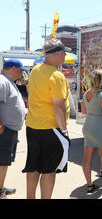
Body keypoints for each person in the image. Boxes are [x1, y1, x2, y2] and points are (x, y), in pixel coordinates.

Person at [22, 39, 71, 199]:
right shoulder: (57, 76)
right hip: (51, 127)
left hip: (33, 125)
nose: (64, 57)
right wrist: (64, 130)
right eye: (64, 54)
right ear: (57, 54)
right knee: (49, 169)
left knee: (33, 166)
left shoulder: (35, 70)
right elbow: (58, 105)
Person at [0, 59, 28, 199]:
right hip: (4, 131)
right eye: (20, 70)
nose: (21, 73)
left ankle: (0, 186)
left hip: (8, 130)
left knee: (4, 162)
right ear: (13, 69)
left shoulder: (7, 81)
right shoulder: (3, 81)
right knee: (2, 162)